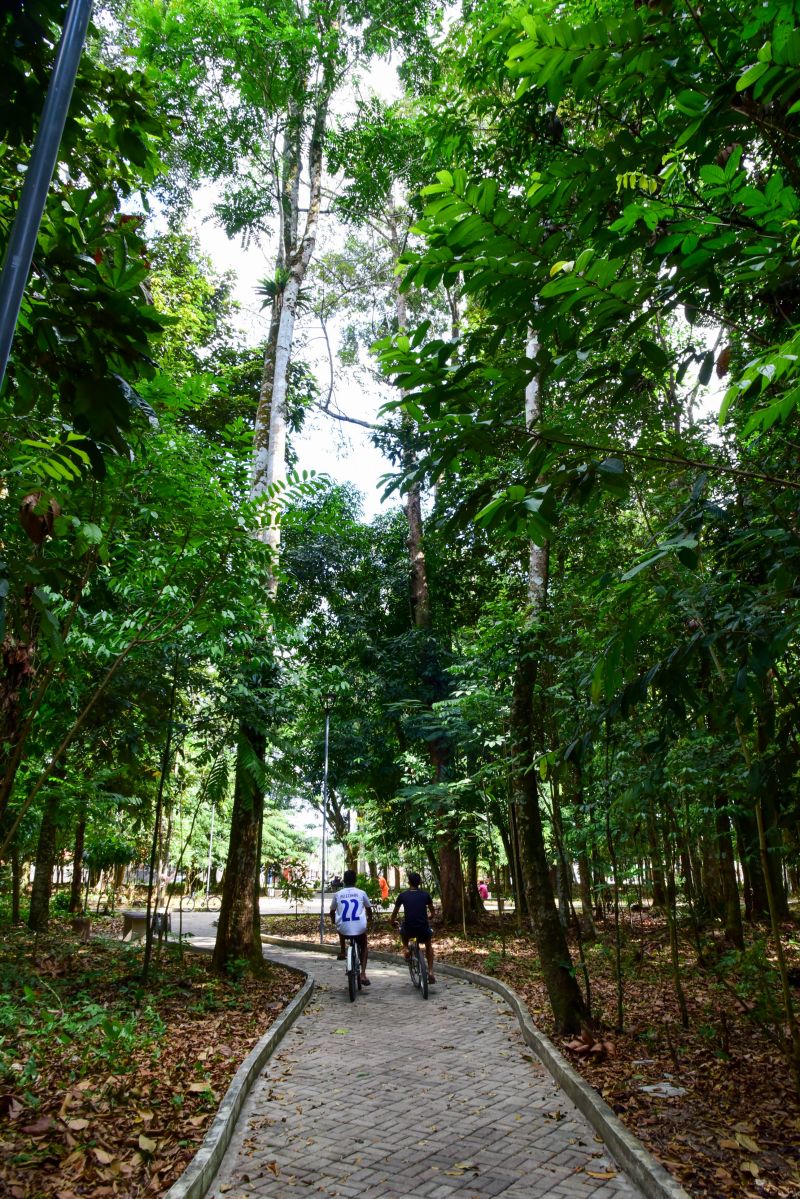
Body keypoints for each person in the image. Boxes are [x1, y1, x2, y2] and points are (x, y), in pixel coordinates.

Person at [391, 872, 436, 984]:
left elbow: (394, 913)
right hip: (423, 929)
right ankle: (430, 972)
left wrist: (392, 921)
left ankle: (406, 948)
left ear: (408, 882)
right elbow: (432, 911)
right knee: (428, 944)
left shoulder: (402, 895)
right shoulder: (425, 895)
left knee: (402, 930)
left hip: (409, 929)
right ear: (420, 883)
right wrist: (430, 916)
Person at [330, 869, 372, 986]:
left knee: (340, 927)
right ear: (355, 880)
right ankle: (363, 974)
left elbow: (332, 911)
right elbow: (369, 909)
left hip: (344, 929)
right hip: (359, 929)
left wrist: (333, 921)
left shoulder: (338, 894)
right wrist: (370, 920)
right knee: (364, 946)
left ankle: (343, 951)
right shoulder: (361, 893)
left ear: (344, 880)